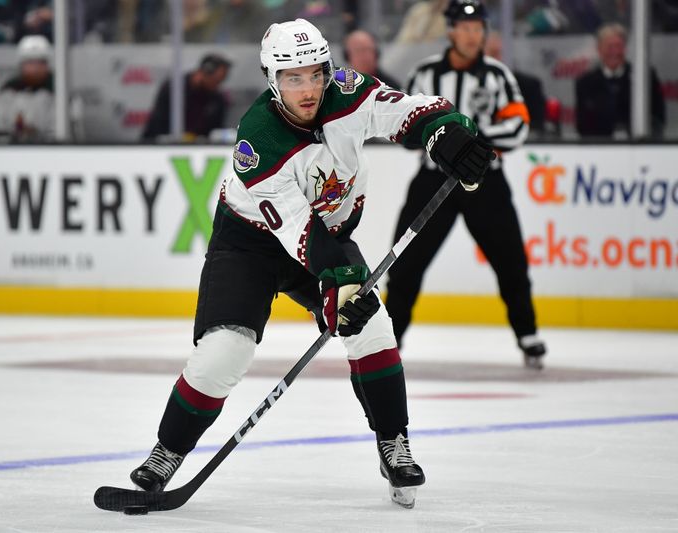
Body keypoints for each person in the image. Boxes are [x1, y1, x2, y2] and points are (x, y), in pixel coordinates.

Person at [126, 18, 494, 508]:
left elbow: (411, 112)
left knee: (373, 328)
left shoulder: (349, 91)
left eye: (314, 74)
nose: (308, 89)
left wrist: (445, 133)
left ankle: (393, 443)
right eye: (292, 78)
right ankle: (167, 452)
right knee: (225, 352)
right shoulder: (258, 142)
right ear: (272, 81)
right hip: (250, 245)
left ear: (327, 70)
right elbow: (300, 233)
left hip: (327, 235)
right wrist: (338, 287)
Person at [384, 0, 547, 369]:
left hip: (485, 183)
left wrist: (475, 141)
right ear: (451, 31)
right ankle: (390, 339)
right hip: (432, 181)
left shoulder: (498, 75)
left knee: (510, 261)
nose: (474, 36)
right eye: (466, 29)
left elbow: (519, 124)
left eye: (479, 29)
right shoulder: (425, 74)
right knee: (407, 261)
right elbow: (402, 125)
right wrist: (442, 142)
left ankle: (528, 334)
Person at [575, 23, 666, 139]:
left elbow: (658, 118)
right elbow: (582, 126)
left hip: (638, 149)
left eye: (618, 46)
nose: (615, 52)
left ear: (625, 48)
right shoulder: (585, 83)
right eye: (609, 47)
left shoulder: (644, 77)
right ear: (599, 50)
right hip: (600, 150)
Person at [141, 53, 230, 142]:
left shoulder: (217, 99)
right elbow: (158, 123)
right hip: (163, 145)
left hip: (198, 149)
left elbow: (215, 132)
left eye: (221, 80)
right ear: (205, 73)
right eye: (216, 80)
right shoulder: (175, 89)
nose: (218, 84)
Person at [484, 30, 546, 137]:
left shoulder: (529, 86)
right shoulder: (470, 84)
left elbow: (536, 127)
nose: (495, 59)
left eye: (498, 53)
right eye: (492, 54)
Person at [0, 34, 54, 142]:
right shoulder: (9, 91)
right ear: (21, 64)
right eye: (30, 62)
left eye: (40, 62)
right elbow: (1, 129)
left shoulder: (58, 91)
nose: (35, 68)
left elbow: (62, 132)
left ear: (47, 65)